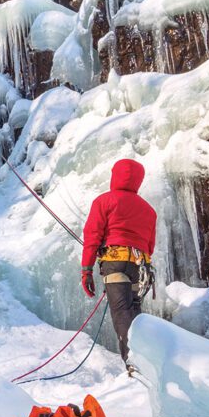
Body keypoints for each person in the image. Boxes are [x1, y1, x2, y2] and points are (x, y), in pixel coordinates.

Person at [80, 159, 156, 371]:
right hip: (140, 267)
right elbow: (150, 246)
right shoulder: (149, 210)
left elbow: (93, 236)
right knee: (134, 312)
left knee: (121, 311)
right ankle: (145, 361)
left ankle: (133, 364)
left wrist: (86, 270)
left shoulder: (104, 201)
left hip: (115, 262)